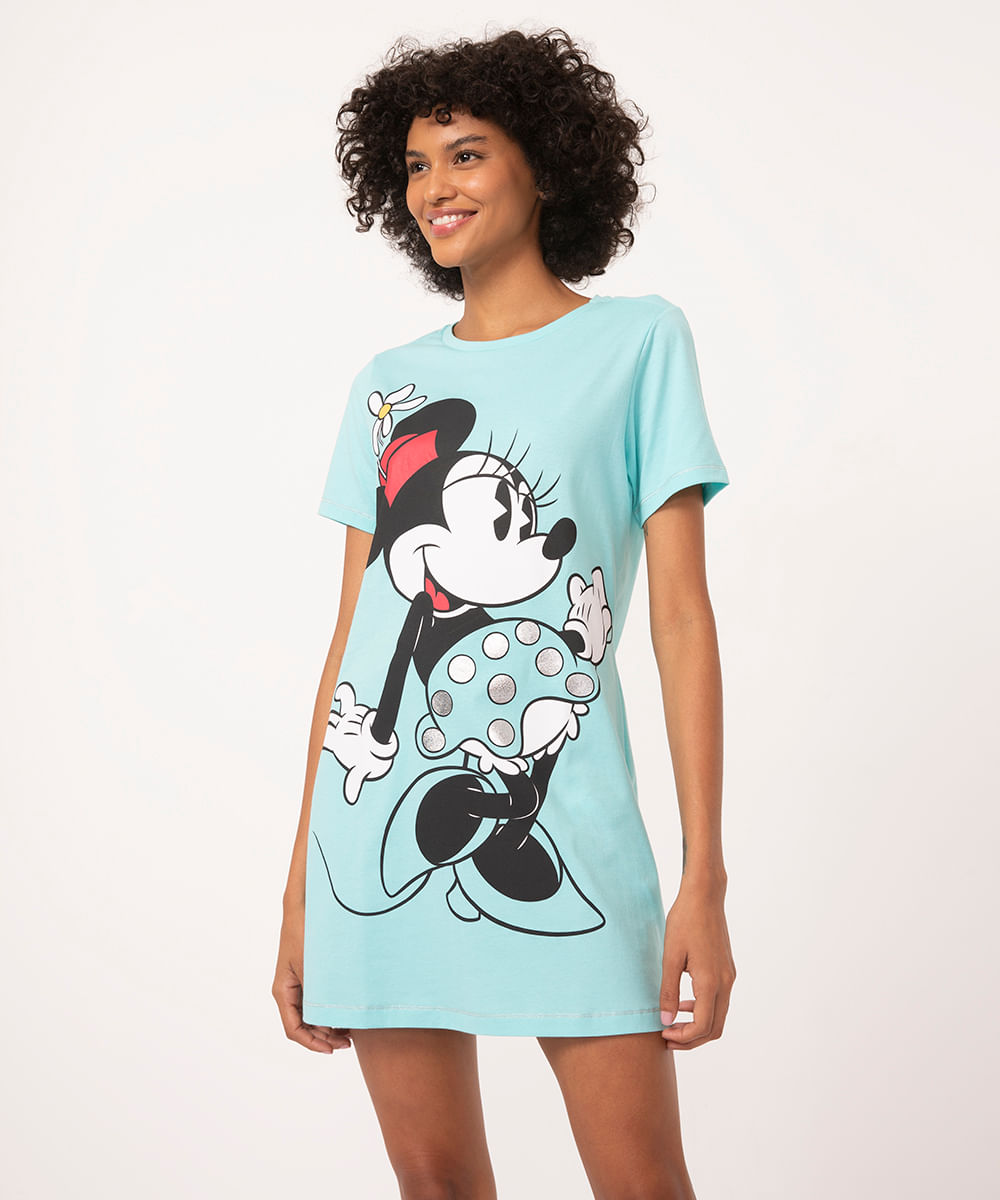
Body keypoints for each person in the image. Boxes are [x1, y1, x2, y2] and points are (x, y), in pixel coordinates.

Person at [273, 25, 736, 1200]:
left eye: (468, 154)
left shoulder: (637, 342)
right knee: (434, 1186)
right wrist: (299, 892)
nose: (436, 186)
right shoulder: (388, 386)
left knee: (642, 1181)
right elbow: (354, 639)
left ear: (548, 165)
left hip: (571, 825)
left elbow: (681, 623)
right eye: (416, 166)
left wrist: (704, 878)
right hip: (374, 834)